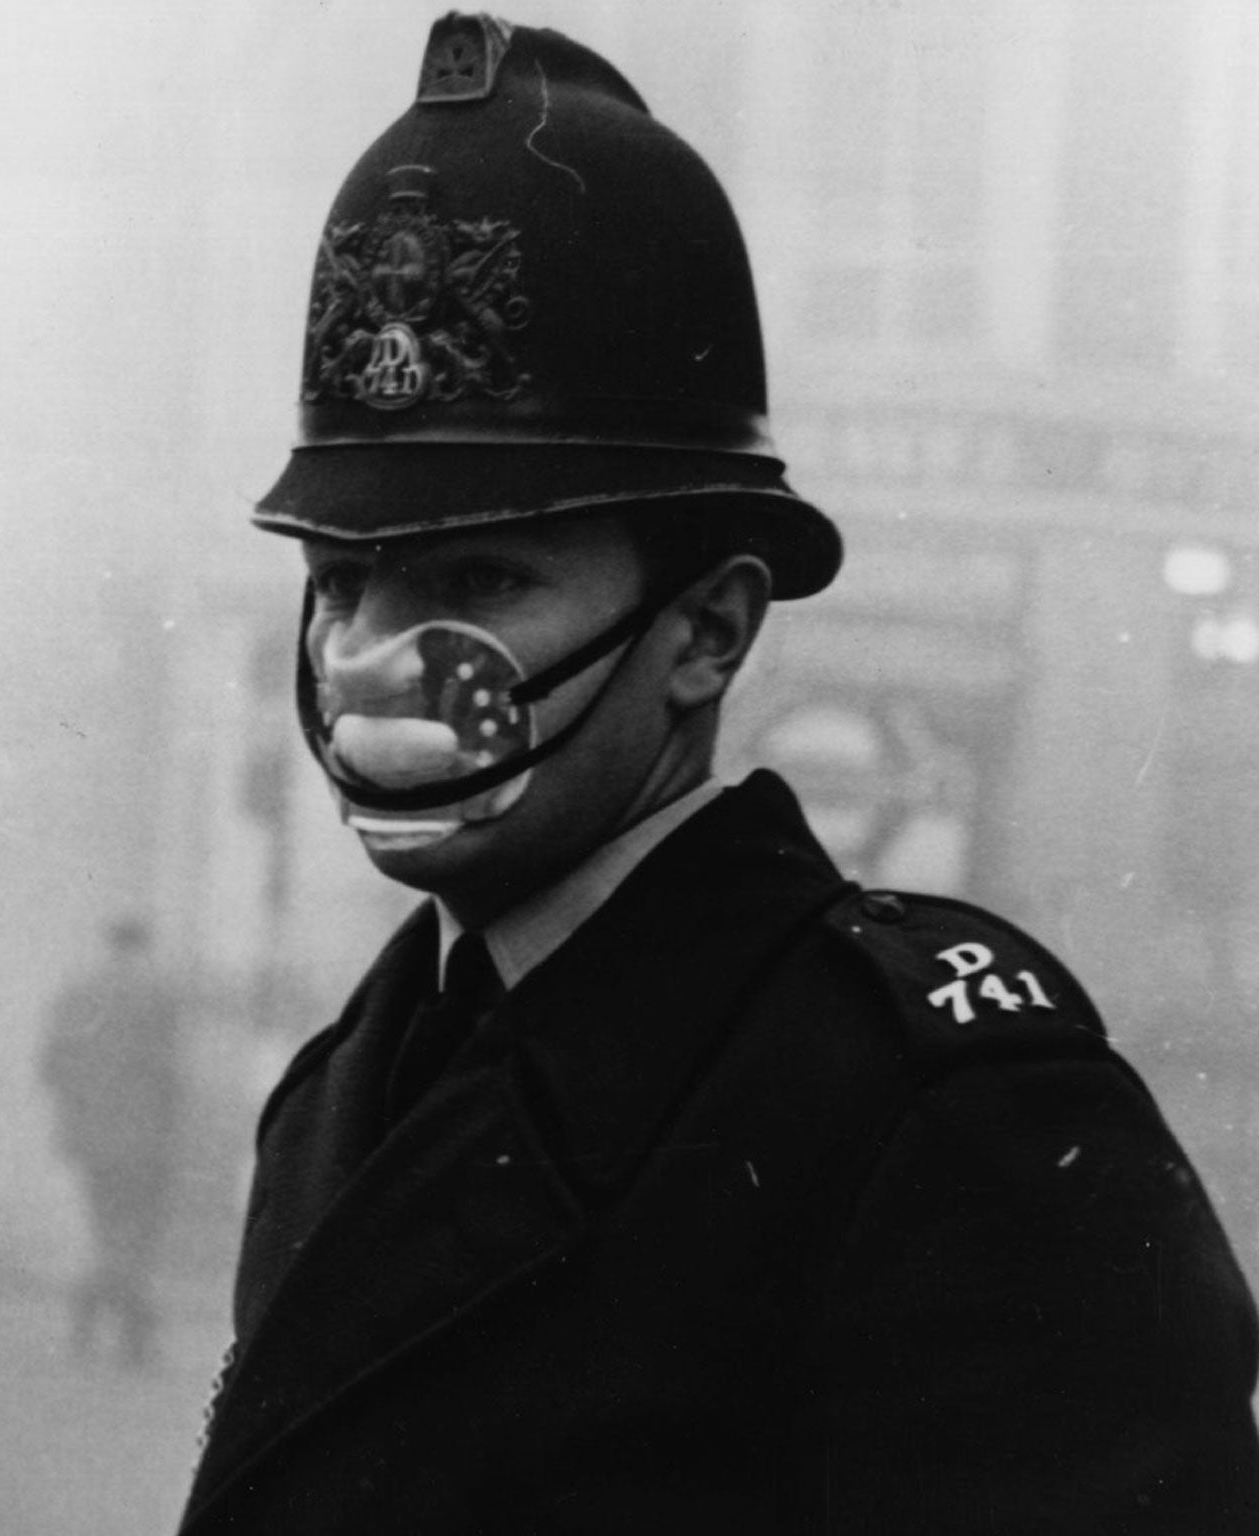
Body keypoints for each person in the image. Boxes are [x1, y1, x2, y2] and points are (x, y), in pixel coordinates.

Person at [178, 15, 1259, 1534]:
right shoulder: (345, 1095)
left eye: (481, 578)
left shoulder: (939, 1116)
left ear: (709, 628)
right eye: (346, 577)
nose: (376, 652)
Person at [41, 916, 185, 1368]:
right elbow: (170, 1074)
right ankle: (130, 1336)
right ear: (144, 945)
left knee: (105, 1231)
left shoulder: (78, 993)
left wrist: (78, 1113)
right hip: (144, 1141)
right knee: (136, 1238)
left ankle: (90, 1324)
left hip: (93, 1141)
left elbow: (50, 1065)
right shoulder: (158, 996)